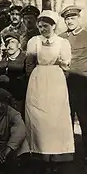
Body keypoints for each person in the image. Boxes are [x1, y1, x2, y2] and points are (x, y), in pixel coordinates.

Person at [25, 10, 74, 163]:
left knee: (55, 114)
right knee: (37, 114)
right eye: (40, 26)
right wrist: (34, 78)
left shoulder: (62, 42)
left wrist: (56, 77)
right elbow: (29, 63)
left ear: (53, 25)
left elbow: (66, 66)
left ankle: (58, 152)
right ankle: (38, 151)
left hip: (55, 79)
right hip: (38, 78)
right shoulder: (34, 41)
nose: (42, 29)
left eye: (46, 26)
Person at [59, 5, 87, 164]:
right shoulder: (61, 37)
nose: (70, 21)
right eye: (67, 19)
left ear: (78, 18)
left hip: (83, 86)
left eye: (72, 18)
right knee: (65, 121)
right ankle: (69, 155)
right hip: (64, 86)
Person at [0, 33, 27, 116]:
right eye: (7, 43)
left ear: (19, 45)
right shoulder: (3, 61)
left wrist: (10, 80)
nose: (9, 45)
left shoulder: (25, 59)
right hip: (6, 100)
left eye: (12, 42)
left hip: (21, 99)